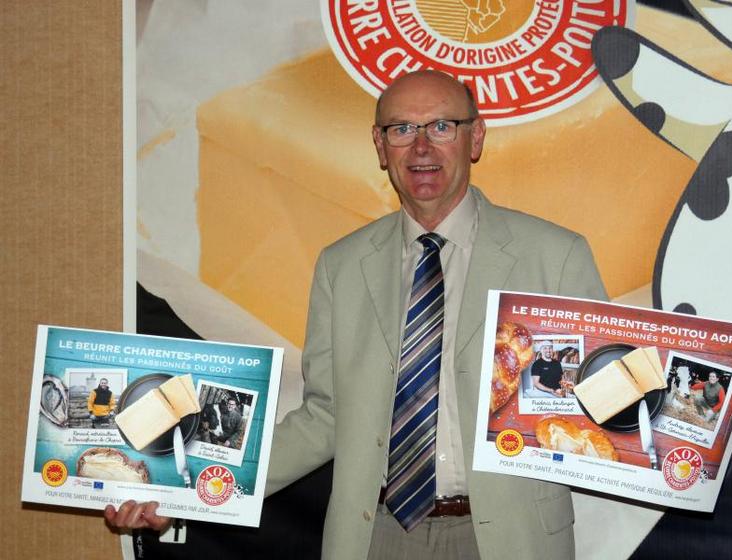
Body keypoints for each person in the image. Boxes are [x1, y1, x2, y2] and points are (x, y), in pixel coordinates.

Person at [106, 70, 611, 557]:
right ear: (379, 145)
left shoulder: (555, 256)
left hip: (509, 538)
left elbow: (598, 410)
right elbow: (324, 418)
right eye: (401, 129)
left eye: (441, 126)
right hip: (376, 537)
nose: (421, 146)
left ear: (474, 138)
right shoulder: (341, 266)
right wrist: (183, 490)